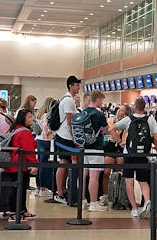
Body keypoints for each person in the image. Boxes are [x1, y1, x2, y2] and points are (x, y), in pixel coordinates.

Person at [109, 98, 157, 219]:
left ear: (135, 107)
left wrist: (120, 141)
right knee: (143, 181)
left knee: (129, 181)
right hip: (143, 155)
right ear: (144, 107)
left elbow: (111, 129)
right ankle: (147, 201)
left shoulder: (128, 119)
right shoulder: (150, 120)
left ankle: (134, 209)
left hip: (129, 154)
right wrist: (156, 147)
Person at [4, 109, 38, 221]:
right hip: (19, 165)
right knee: (18, 189)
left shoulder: (15, 129)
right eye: (28, 117)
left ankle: (22, 210)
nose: (31, 119)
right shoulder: (24, 132)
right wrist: (35, 164)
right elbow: (29, 150)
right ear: (23, 118)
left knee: (20, 188)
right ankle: (15, 211)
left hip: (13, 163)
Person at [53, 75, 81, 204]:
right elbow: (71, 122)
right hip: (65, 136)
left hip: (62, 135)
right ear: (70, 85)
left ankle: (62, 191)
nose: (79, 87)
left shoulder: (65, 99)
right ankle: (59, 192)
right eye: (76, 84)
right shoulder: (69, 101)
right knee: (63, 163)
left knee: (64, 163)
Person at [81, 90, 109, 212]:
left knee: (84, 174)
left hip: (84, 147)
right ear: (97, 99)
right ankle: (93, 203)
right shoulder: (99, 115)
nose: (102, 102)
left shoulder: (83, 112)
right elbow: (106, 130)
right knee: (94, 176)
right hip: (96, 148)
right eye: (101, 100)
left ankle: (83, 200)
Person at [100, 104, 132, 206]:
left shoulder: (128, 122)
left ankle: (118, 196)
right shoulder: (111, 120)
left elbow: (125, 137)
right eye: (119, 109)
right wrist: (117, 139)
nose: (119, 111)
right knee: (106, 172)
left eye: (121, 110)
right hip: (110, 147)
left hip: (121, 148)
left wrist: (119, 140)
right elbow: (109, 130)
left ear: (126, 113)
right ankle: (105, 195)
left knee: (118, 173)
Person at [34, 97, 57, 197]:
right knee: (44, 165)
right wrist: (55, 130)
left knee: (40, 165)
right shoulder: (47, 116)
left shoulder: (39, 115)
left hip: (39, 141)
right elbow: (47, 132)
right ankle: (43, 188)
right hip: (46, 142)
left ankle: (38, 187)